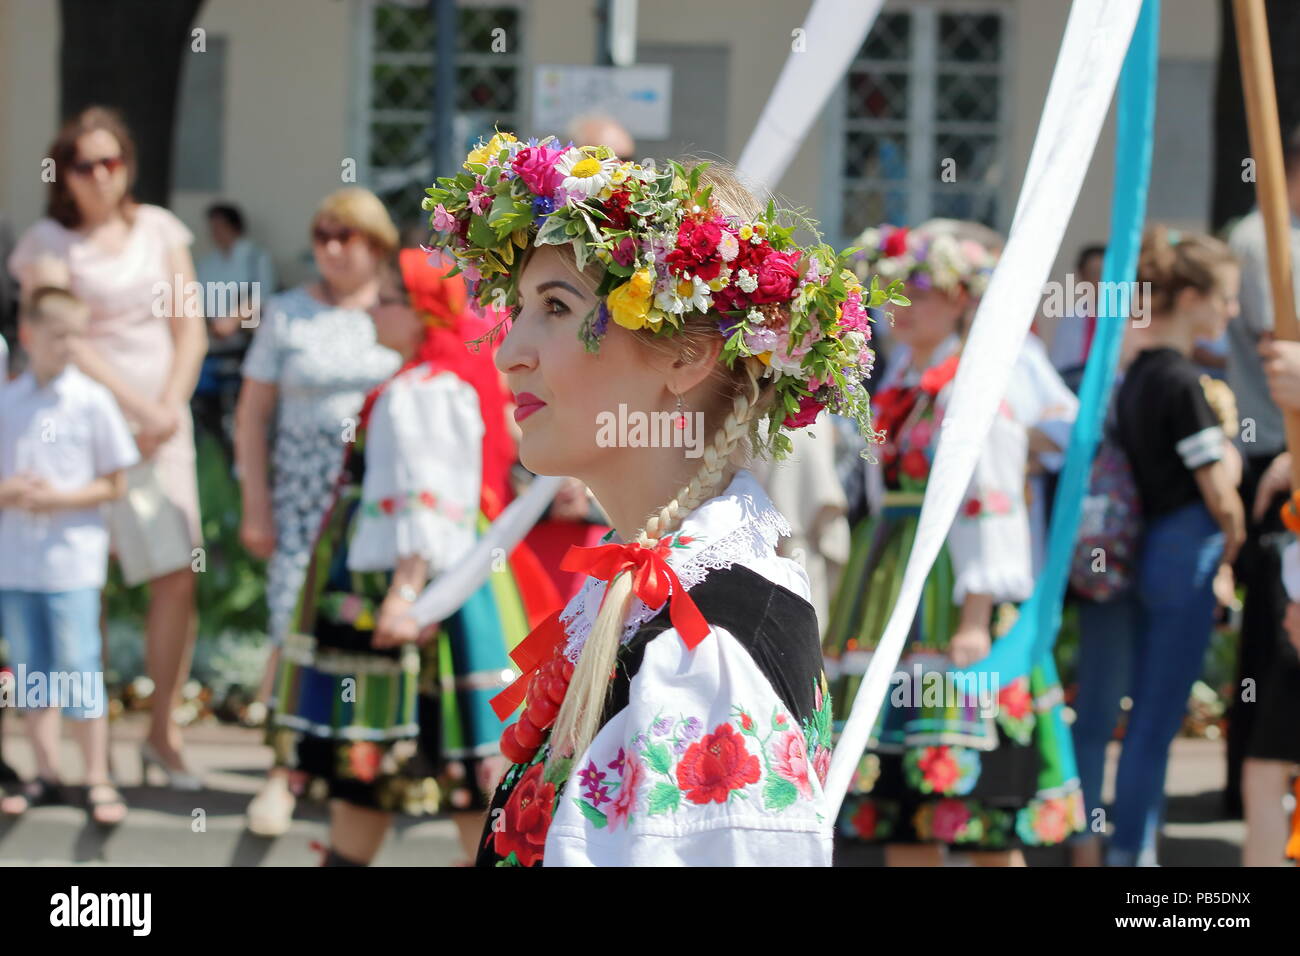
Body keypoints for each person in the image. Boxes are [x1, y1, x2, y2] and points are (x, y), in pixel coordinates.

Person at [422, 132, 890, 866]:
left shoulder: (705, 649)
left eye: (554, 305)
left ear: (685, 357)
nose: (511, 350)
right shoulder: (653, 594)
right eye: (521, 307)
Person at [265, 249, 557, 865]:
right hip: (420, 586)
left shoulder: (422, 390)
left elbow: (425, 503)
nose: (374, 305)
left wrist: (406, 594)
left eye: (389, 297)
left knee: (444, 768)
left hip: (415, 594)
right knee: (387, 770)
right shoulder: (424, 383)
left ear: (422, 310)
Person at [825, 223, 1084, 866]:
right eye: (896, 292)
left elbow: (989, 499)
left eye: (924, 292)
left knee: (978, 814)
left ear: (964, 299)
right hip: (889, 584)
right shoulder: (899, 383)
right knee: (901, 812)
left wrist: (975, 618)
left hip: (949, 586)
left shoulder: (973, 384)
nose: (904, 307)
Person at [7, 106, 207, 787]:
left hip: (159, 431)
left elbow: (190, 328)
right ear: (63, 174)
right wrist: (135, 409)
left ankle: (161, 734)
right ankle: (71, 755)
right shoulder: (45, 243)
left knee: (176, 577)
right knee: (73, 587)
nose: (101, 175)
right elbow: (62, 338)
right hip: (77, 430)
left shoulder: (160, 229)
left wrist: (166, 410)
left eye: (111, 160)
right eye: (85, 164)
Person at [234, 188, 402, 835]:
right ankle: (280, 774)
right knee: (290, 626)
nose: (331, 247)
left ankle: (353, 770)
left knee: (359, 635)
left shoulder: (396, 313)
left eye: (347, 235)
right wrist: (255, 503)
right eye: (322, 234)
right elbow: (252, 414)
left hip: (374, 502)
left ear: (377, 245)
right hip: (302, 500)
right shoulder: (287, 313)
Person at [1099, 226, 1244, 866]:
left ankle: (1129, 846)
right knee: (1157, 720)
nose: (1231, 312)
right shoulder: (1181, 381)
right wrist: (1235, 535)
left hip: (1153, 548)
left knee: (1147, 721)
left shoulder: (1136, 375)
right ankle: (1134, 854)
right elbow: (1219, 493)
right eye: (1226, 298)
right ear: (1189, 296)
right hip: (1186, 551)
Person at [0, 288, 138, 824]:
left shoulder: (91, 400)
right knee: (31, 667)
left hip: (71, 562)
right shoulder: (9, 400)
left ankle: (97, 775)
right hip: (16, 561)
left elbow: (114, 482)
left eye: (78, 335)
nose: (70, 346)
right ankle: (45, 770)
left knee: (78, 664)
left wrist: (60, 498)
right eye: (60, 335)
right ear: (30, 335)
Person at [1224, 127, 1300, 820]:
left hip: (1284, 443)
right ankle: (1253, 776)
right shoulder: (1263, 239)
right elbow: (1281, 333)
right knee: (1274, 626)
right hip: (1271, 444)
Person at [193, 203, 276, 456]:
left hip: (246, 347)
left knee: (244, 407)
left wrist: (233, 320)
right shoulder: (208, 264)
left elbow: (263, 296)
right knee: (207, 406)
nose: (215, 233)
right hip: (214, 348)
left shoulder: (255, 258)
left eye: (220, 226)